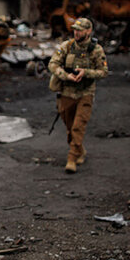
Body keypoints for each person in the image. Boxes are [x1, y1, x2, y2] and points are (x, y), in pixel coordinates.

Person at [47, 18, 109, 173]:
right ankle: (80, 150)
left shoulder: (96, 50)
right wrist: (65, 75)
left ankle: (72, 158)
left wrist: (86, 72)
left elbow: (103, 72)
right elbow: (52, 64)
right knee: (69, 127)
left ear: (88, 31)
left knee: (78, 127)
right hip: (67, 92)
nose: (76, 32)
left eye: (80, 30)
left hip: (85, 93)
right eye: (75, 29)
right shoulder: (66, 46)